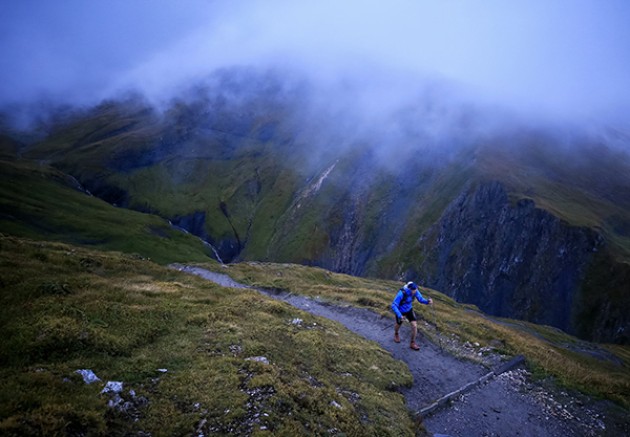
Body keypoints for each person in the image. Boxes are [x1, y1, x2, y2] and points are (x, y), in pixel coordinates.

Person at [391, 281, 433, 350]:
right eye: (413, 290)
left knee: (414, 326)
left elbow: (420, 299)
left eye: (416, 289)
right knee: (398, 324)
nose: (415, 291)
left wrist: (427, 301)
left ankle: (412, 343)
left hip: (409, 310)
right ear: (409, 289)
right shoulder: (401, 294)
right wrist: (400, 315)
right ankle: (396, 333)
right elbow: (394, 305)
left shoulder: (415, 291)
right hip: (401, 311)